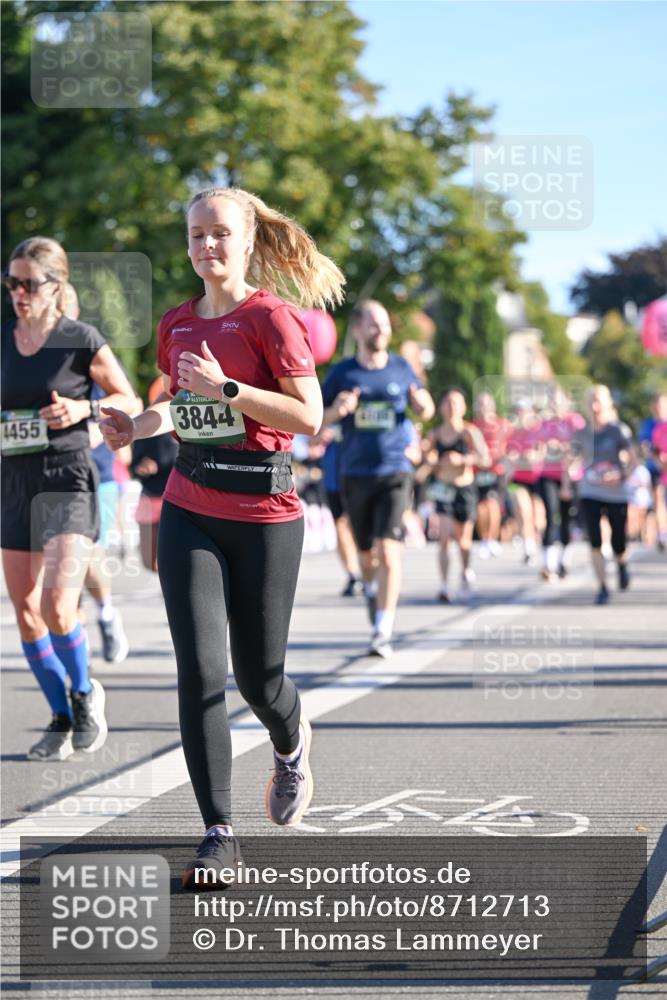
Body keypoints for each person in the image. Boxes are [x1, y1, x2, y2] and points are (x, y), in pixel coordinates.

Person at [100, 186, 344, 888]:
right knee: (201, 672)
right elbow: (177, 409)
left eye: (219, 234)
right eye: (195, 235)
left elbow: (309, 416)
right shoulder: (177, 323)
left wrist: (229, 389)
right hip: (191, 507)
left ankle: (290, 740)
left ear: (245, 242)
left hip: (265, 516)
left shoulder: (271, 318)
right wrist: (134, 426)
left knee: (258, 679)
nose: (206, 246)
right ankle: (218, 832)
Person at [1, 236, 135, 760]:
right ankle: (60, 714)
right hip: (14, 482)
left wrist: (84, 411)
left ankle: (84, 693)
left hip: (66, 477)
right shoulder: (4, 340)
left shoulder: (79, 338)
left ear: (56, 285)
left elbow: (128, 397)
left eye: (28, 283)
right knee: (25, 610)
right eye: (11, 282)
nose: (17, 292)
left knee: (59, 604)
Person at [322, 300, 435, 658]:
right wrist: (337, 411)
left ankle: (382, 631)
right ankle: (372, 592)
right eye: (373, 324)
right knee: (366, 555)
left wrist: (422, 406)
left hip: (395, 470)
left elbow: (426, 407)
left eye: (384, 324)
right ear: (357, 330)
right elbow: (315, 421)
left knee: (389, 549)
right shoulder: (342, 373)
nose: (381, 330)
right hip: (354, 473)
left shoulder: (402, 369)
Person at [567, 384, 634, 604]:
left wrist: (621, 474)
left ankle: (622, 564)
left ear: (607, 403)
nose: (595, 406)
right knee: (594, 540)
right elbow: (572, 459)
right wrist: (568, 477)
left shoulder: (618, 430)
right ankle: (602, 587)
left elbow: (633, 460)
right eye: (591, 401)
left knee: (618, 540)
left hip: (616, 491)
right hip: (590, 490)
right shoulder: (582, 433)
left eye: (599, 400)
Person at [426, 389, 489, 602]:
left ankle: (465, 571)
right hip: (443, 489)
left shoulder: (469, 432)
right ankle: (444, 585)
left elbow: (485, 459)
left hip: (465, 488)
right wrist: (432, 460)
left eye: (456, 403)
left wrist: (461, 460)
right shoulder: (435, 434)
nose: (452, 407)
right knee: (444, 538)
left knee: (463, 540)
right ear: (442, 407)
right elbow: (426, 458)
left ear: (463, 408)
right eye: (448, 402)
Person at [535, 389, 585, 581]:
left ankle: (565, 559)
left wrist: (563, 448)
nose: (553, 404)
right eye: (550, 400)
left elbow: (582, 448)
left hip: (570, 476)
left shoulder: (575, 421)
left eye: (556, 400)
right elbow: (538, 448)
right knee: (550, 514)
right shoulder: (545, 424)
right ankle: (548, 563)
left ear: (567, 401)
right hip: (548, 474)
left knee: (567, 518)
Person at [130, 377, 177, 573]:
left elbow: (182, 460)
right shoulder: (143, 425)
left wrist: (159, 464)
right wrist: (141, 467)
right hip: (149, 496)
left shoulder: (184, 423)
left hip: (174, 497)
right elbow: (132, 466)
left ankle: (172, 591)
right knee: (148, 561)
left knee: (171, 558)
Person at [472, 391, 511, 558]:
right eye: (480, 404)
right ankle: (484, 539)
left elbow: (510, 448)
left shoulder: (503, 425)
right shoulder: (472, 426)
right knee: (481, 507)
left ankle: (493, 539)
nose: (483, 407)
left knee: (493, 504)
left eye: (486, 403)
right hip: (477, 471)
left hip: (496, 471)